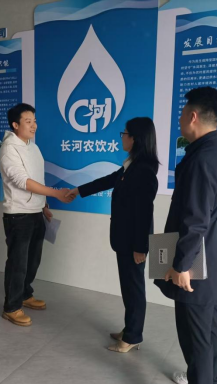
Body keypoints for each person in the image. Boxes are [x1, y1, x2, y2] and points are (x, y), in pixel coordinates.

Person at [154, 87, 217, 384]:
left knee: (196, 332)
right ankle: (209, 381)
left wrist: (181, 265)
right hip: (213, 253)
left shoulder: (203, 158)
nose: (179, 120)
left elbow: (195, 219)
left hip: (198, 259)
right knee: (209, 324)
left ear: (193, 116)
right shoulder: (216, 150)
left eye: (182, 114)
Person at [67, 118, 159, 353]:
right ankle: (130, 329)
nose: (122, 137)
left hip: (133, 242)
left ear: (135, 138)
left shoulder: (145, 170)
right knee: (128, 286)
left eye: (124, 133)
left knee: (134, 288)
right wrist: (79, 190)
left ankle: (133, 336)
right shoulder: (132, 165)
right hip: (124, 238)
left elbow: (145, 213)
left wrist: (141, 247)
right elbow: (109, 180)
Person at [0, 103, 74, 327]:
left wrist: (44, 204)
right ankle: (11, 307)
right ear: (15, 125)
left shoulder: (33, 146)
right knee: (18, 263)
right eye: (28, 121)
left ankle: (25, 294)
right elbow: (23, 181)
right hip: (18, 215)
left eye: (35, 121)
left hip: (36, 212)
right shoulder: (9, 149)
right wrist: (56, 193)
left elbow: (38, 178)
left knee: (33, 260)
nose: (34, 126)